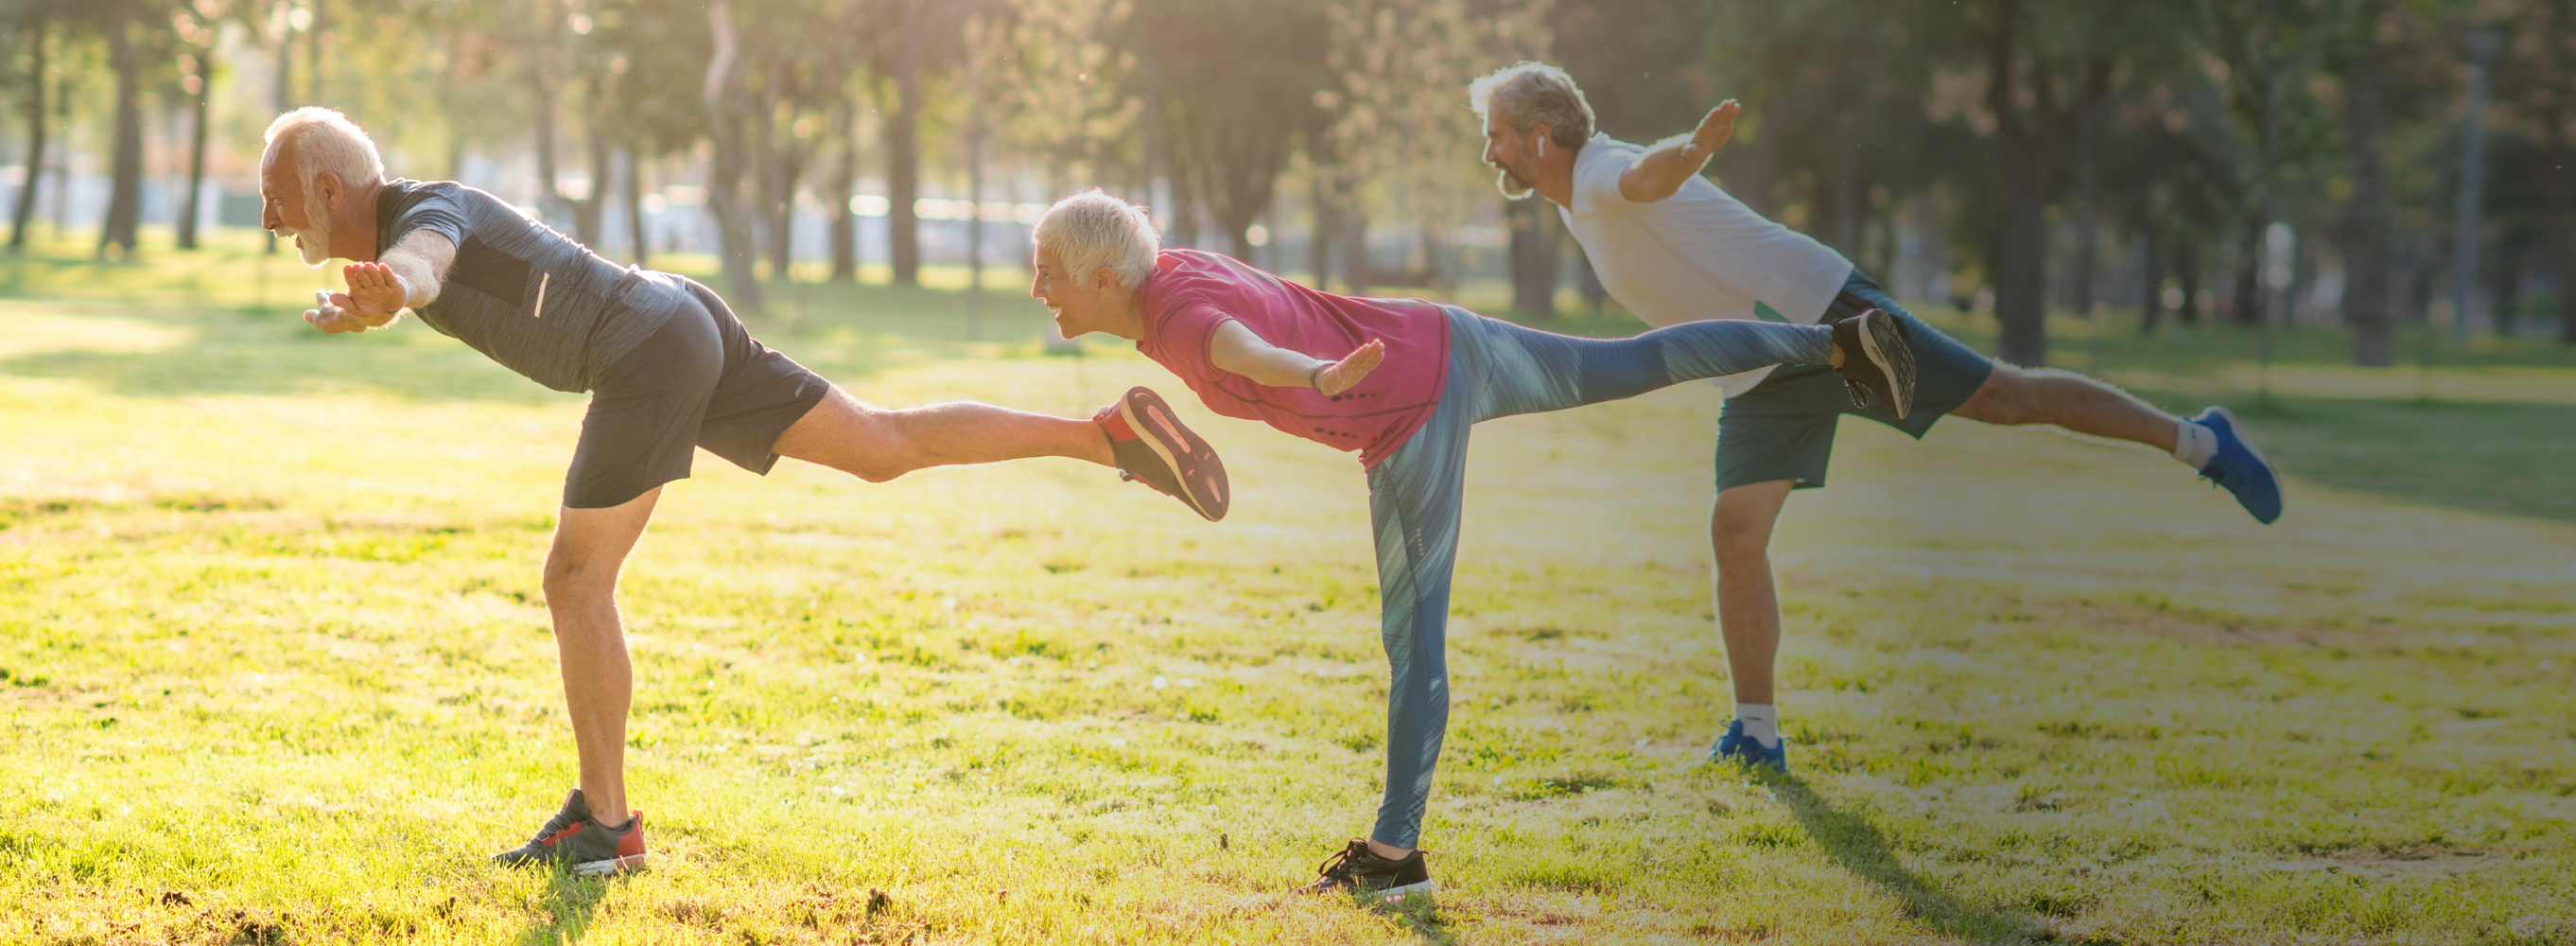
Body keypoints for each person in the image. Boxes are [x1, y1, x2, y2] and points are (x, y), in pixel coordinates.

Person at [256, 107, 1231, 876]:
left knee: (574, 580)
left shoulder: (430, 210)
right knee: (879, 446)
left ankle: (605, 825)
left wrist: (402, 288)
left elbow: (430, 256)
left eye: (275, 198)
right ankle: (1104, 437)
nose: (269, 219)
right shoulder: (417, 218)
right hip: (675, 317)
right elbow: (421, 269)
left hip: (642, 343)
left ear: (328, 188)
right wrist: (389, 300)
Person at [1027, 189, 1914, 900]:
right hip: (1449, 336)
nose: (1038, 291)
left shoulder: (1177, 320)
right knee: (1634, 361)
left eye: (1048, 274)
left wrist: (1317, 378)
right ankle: (1836, 347)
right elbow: (1237, 327)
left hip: (1407, 416)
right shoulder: (1168, 273)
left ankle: (1396, 852)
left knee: (1414, 641)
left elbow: (1244, 349)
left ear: (1107, 278)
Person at [1463, 63, 2286, 772]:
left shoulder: (1603, 172)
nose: (1489, 150)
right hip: (1760, 372)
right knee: (1735, 532)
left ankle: (2200, 441)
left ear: (1541, 135)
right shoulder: (1574, 198)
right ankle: (1756, 736)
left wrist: (1695, 148)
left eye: (1497, 132)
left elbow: (1652, 176)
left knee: (2008, 398)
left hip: (1828, 321)